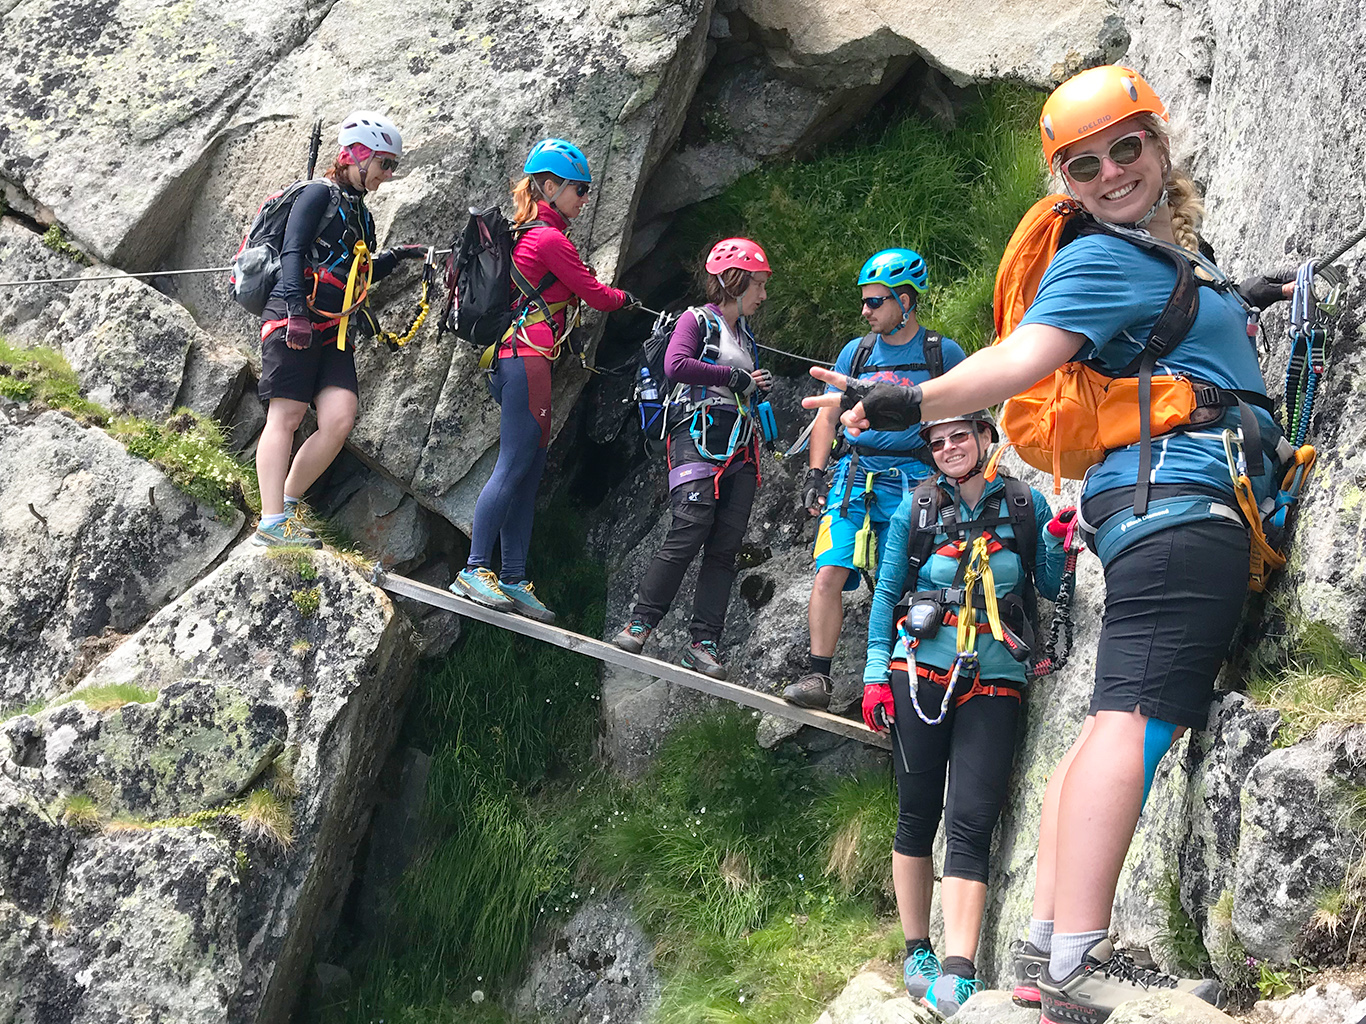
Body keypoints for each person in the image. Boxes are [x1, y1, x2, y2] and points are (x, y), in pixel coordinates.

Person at [803, 65, 1293, 1024]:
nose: (1112, 172)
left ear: (1157, 143)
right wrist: (909, 399)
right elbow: (1018, 361)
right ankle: (1071, 966)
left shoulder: (1158, 259)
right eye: (1085, 164)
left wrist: (1242, 298)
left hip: (1157, 497)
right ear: (1062, 181)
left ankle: (1040, 948)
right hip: (1183, 500)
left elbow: (1172, 340)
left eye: (1126, 148)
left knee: (1113, 715)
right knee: (1138, 718)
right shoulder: (1099, 258)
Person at [864, 411, 1067, 1017]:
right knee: (918, 812)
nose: (950, 447)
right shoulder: (917, 508)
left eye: (960, 436)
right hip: (918, 673)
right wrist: (877, 669)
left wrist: (1056, 537)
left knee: (973, 821)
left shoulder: (1025, 505)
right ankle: (916, 949)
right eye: (938, 441)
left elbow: (1050, 584)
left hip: (996, 677)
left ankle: (959, 969)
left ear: (986, 439)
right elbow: (887, 589)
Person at [451, 138, 636, 622]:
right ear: (550, 187)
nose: (585, 198)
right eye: (580, 188)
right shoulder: (550, 240)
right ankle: (475, 569)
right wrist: (625, 299)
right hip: (526, 359)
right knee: (514, 466)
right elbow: (596, 296)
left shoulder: (529, 234)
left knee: (529, 472)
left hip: (515, 359)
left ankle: (511, 577)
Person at [781, 249, 965, 710]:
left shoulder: (940, 353)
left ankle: (896, 677)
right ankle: (818, 677)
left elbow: (963, 417)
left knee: (899, 580)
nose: (865, 311)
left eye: (875, 302)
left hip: (917, 480)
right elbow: (827, 417)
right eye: (865, 301)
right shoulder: (855, 352)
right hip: (854, 477)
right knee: (828, 571)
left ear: (906, 301)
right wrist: (816, 474)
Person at [254, 111, 426, 548]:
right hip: (296, 312)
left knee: (339, 416)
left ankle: (289, 505)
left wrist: (402, 255)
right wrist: (294, 311)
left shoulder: (361, 215)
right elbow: (292, 252)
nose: (388, 175)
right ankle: (271, 520)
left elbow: (358, 271)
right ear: (357, 155)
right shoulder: (317, 194)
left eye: (392, 166)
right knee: (288, 415)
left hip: (335, 327)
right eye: (385, 164)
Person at [611, 238, 774, 680]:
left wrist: (753, 383)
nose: (762, 295)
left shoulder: (745, 337)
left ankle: (704, 643)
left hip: (740, 447)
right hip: (695, 437)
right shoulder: (695, 320)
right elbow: (675, 365)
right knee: (689, 529)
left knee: (724, 548)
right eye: (758, 285)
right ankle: (640, 623)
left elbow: (737, 385)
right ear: (735, 281)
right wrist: (736, 377)